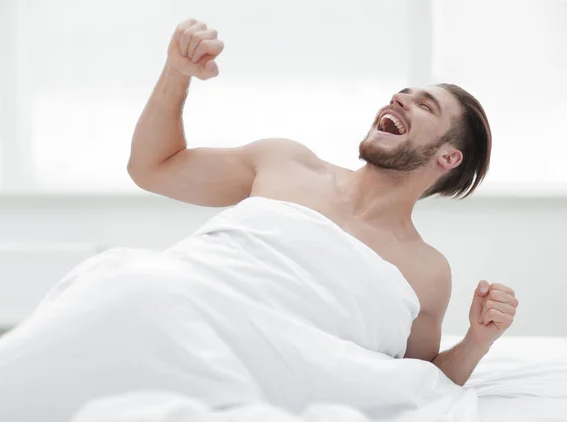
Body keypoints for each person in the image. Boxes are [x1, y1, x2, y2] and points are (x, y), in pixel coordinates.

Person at [127, 18, 519, 387]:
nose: (399, 99)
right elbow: (151, 168)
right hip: (163, 311)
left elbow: (418, 385)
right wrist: (176, 73)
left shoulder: (427, 273)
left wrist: (477, 341)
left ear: (448, 157)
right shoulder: (284, 161)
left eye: (425, 106)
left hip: (242, 374)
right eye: (404, 94)